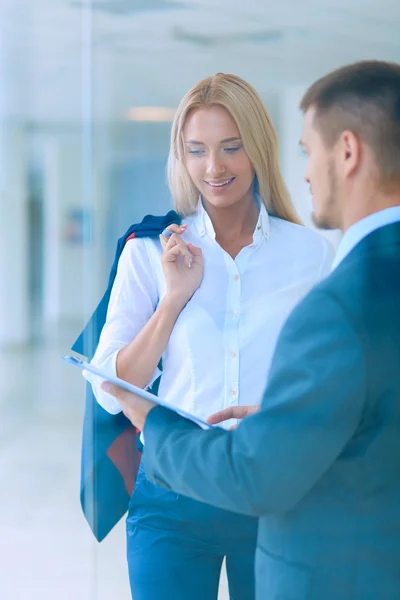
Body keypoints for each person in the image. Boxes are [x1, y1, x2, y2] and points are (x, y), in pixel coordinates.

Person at [102, 60, 400, 600]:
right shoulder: (150, 251)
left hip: (269, 486)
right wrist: (173, 301)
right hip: (172, 491)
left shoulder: (311, 251)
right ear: (182, 156)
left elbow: (332, 374)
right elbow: (110, 386)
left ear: (258, 148)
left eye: (231, 146)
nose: (213, 166)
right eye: (197, 150)